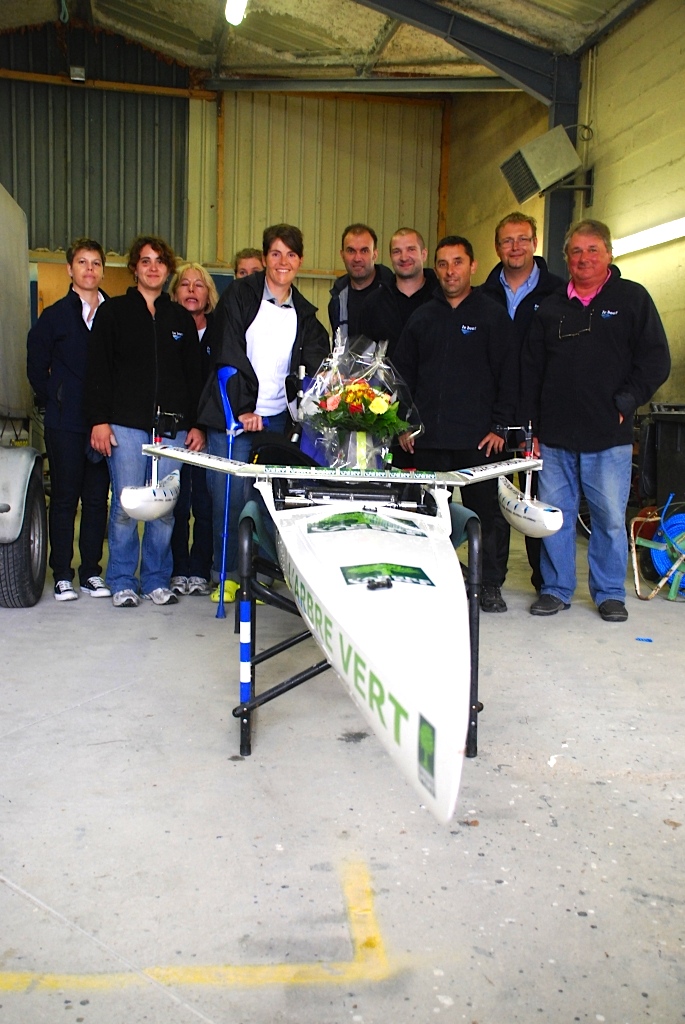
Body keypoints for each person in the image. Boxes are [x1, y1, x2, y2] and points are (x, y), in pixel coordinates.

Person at [522, 219, 670, 622]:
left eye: (592, 250)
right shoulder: (551, 307)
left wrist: (626, 401)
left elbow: (656, 360)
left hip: (609, 434)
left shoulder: (632, 299)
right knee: (557, 518)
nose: (584, 258)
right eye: (575, 251)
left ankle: (608, 594)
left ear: (609, 254)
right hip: (555, 436)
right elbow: (531, 371)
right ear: (566, 258)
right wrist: (531, 428)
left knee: (607, 519)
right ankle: (555, 589)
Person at [198, 223, 330, 602]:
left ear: (300, 261)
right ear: (265, 258)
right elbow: (227, 353)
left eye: (290, 254)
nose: (283, 261)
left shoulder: (304, 311)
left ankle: (262, 571)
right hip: (235, 416)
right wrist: (243, 409)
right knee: (230, 497)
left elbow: (315, 361)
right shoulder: (240, 296)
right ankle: (224, 575)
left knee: (271, 501)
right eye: (275, 253)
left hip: (277, 419)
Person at [393, 235, 517, 613]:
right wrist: (402, 425)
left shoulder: (492, 314)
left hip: (479, 440)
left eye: (458, 262)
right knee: (427, 515)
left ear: (473, 266)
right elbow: (402, 377)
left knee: (487, 515)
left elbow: (509, 374)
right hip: (427, 440)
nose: (450, 271)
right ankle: (433, 577)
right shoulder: (422, 317)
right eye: (443, 264)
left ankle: (490, 584)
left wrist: (500, 425)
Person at [86, 235, 205, 608]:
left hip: (173, 429)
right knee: (125, 506)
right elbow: (98, 370)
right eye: (145, 261)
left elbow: (195, 379)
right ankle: (122, 579)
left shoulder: (179, 319)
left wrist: (197, 424)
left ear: (167, 269)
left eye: (159, 261)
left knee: (164, 508)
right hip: (125, 425)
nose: (153, 267)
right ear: (135, 268)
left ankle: (155, 579)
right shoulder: (114, 313)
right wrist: (99, 421)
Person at [482, 212, 565, 592]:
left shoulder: (558, 294)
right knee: (495, 504)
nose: (515, 247)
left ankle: (545, 585)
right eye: (507, 241)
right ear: (497, 247)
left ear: (535, 243)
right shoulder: (483, 297)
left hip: (539, 417)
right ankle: (492, 584)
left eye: (523, 239)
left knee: (537, 503)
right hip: (492, 420)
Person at [27, 238, 111, 602]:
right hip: (65, 424)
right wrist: (57, 396)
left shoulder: (114, 314)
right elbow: (34, 366)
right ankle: (62, 573)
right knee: (64, 499)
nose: (89, 269)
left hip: (104, 424)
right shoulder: (55, 316)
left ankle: (91, 572)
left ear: (102, 270)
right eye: (82, 262)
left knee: (96, 500)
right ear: (70, 269)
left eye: (95, 263)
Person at [167, 263, 219, 596]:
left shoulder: (221, 330)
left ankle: (200, 568)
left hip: (208, 430)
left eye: (198, 285)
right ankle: (176, 569)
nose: (190, 290)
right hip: (175, 428)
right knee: (175, 502)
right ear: (174, 293)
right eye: (184, 284)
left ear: (209, 294)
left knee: (204, 501)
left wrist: (201, 426)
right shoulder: (167, 326)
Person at [359, 227, 437, 360]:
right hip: (384, 381)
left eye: (411, 249)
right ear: (390, 257)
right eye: (397, 251)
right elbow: (362, 356)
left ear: (424, 254)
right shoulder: (373, 303)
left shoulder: (441, 298)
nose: (404, 257)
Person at [328, 223, 393, 340]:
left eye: (364, 251)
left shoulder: (393, 294)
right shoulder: (337, 300)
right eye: (351, 251)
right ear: (342, 255)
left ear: (375, 254)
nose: (357, 258)